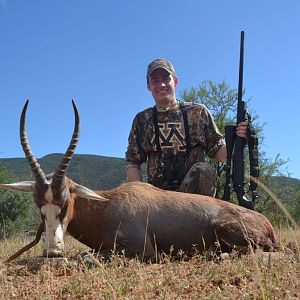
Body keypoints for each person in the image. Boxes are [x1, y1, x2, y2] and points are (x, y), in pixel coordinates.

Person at [125, 58, 248, 196]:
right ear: (148, 86)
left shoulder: (199, 112)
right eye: (155, 80)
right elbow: (132, 162)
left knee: (204, 170)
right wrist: (140, 196)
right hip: (158, 201)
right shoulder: (141, 120)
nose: (161, 84)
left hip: (195, 199)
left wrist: (238, 140)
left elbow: (220, 153)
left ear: (175, 81)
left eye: (166, 78)